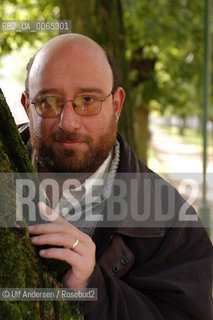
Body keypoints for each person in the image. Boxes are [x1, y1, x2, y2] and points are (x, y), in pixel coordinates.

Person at [19, 33, 213, 319]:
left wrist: (93, 287)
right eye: (48, 101)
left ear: (116, 105)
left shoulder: (173, 221)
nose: (68, 122)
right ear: (27, 105)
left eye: (88, 100)